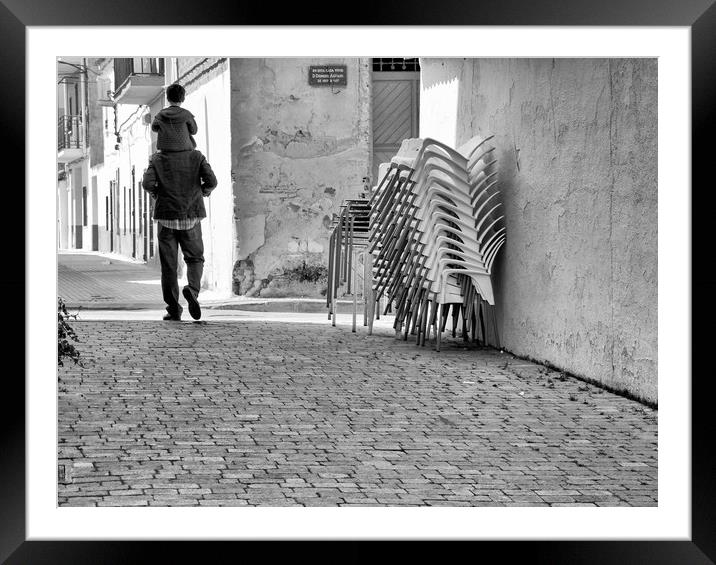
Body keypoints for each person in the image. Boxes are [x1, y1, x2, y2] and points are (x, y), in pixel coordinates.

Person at [142, 148, 217, 321]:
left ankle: (174, 309)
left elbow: (147, 184)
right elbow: (211, 181)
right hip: (191, 215)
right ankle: (192, 290)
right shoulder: (197, 157)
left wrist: (156, 194)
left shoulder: (157, 158)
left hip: (166, 217)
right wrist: (203, 192)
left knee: (169, 266)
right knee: (195, 258)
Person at [151, 83, 197, 152]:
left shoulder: (161, 115)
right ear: (183, 98)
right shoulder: (186, 114)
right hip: (185, 151)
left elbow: (154, 128)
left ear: (167, 98)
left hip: (166, 151)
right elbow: (194, 131)